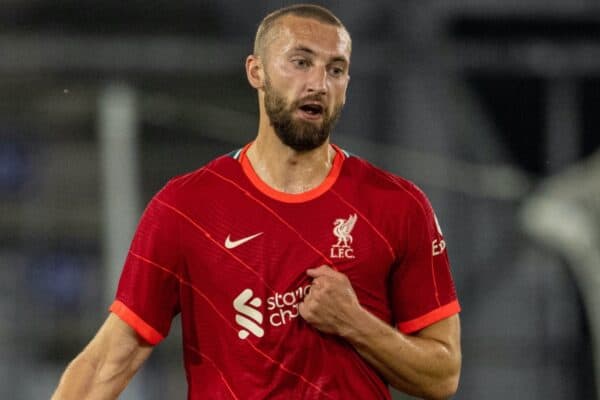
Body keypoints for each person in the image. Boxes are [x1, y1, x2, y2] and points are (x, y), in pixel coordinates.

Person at [52, 4, 461, 399]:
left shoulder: (398, 205)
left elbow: (442, 375)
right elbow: (108, 362)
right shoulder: (185, 207)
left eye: (335, 69)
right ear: (256, 72)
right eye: (301, 62)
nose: (319, 82)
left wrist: (354, 323)